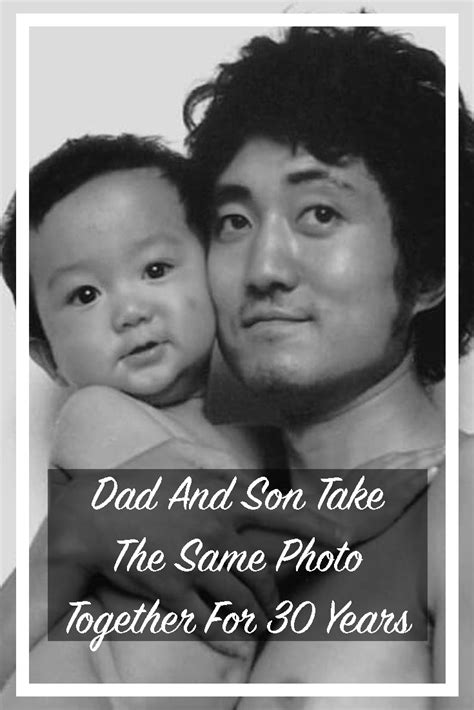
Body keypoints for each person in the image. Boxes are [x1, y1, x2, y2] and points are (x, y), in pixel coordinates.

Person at [1, 22, 471, 708]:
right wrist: (64, 548)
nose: (265, 268)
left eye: (319, 213)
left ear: (428, 267)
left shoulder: (451, 509)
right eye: (233, 222)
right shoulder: (138, 486)